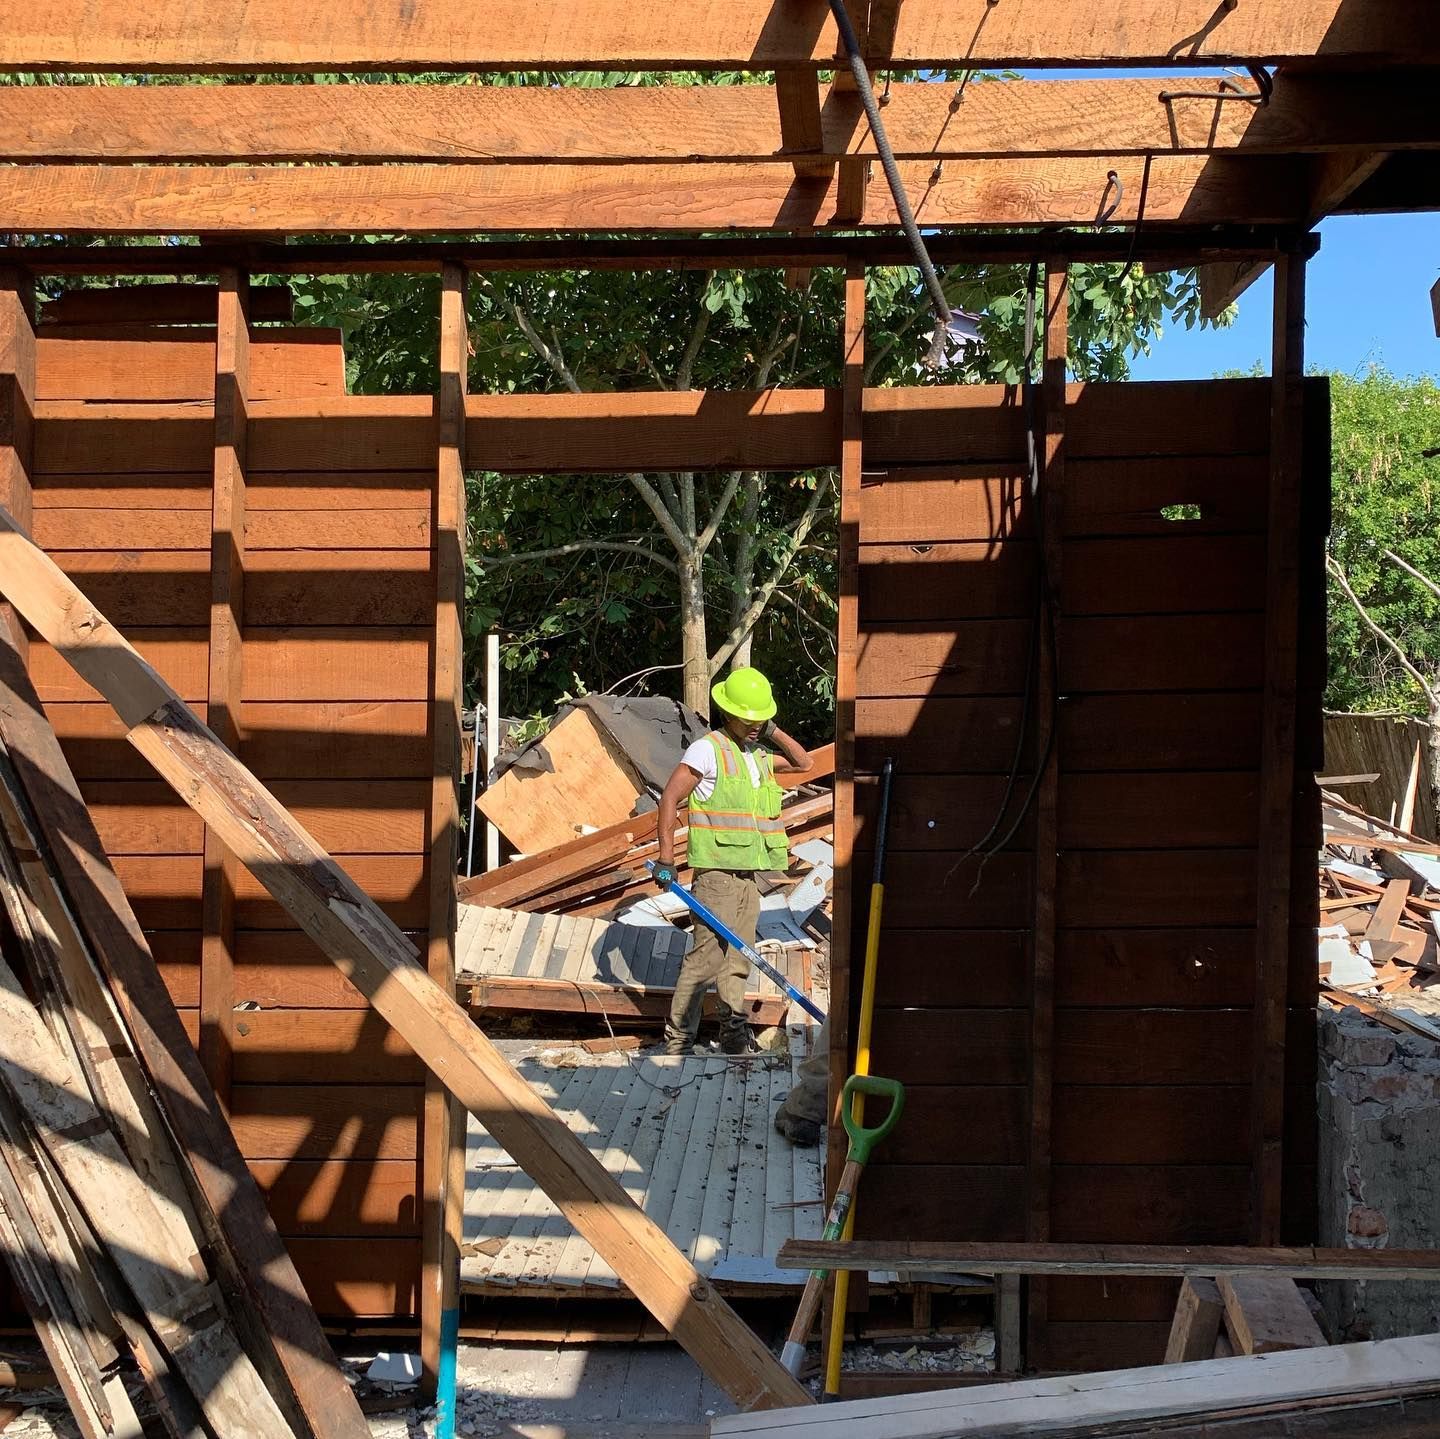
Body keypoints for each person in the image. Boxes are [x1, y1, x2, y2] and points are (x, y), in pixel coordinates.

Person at [654, 666, 812, 1056]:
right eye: (749, 718)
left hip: (747, 877)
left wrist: (769, 728)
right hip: (715, 876)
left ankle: (733, 1037)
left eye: (760, 717)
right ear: (728, 713)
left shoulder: (757, 754)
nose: (755, 725)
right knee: (706, 959)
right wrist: (665, 858)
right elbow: (670, 798)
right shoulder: (707, 749)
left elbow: (804, 762)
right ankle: (678, 1042)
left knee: (738, 959)